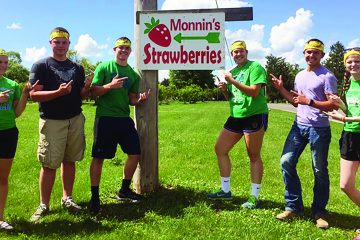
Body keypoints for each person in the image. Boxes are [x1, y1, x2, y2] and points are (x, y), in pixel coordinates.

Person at [270, 39, 338, 229]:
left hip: (319, 129)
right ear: (304, 54)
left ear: (322, 55)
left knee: (319, 170)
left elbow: (333, 105)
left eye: (315, 53)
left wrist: (311, 102)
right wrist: (281, 89)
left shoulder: (328, 76)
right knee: (286, 161)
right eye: (308, 52)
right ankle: (293, 207)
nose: (311, 55)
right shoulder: (300, 75)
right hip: (298, 126)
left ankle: (319, 212)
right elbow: (296, 101)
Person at [28, 27, 91, 222]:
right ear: (51, 43)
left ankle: (67, 198)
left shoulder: (77, 68)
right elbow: (33, 94)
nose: (61, 46)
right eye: (57, 42)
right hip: (52, 120)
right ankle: (44, 205)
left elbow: (81, 94)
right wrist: (58, 92)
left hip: (75, 118)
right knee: (49, 164)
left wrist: (87, 88)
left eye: (64, 42)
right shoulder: (40, 66)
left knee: (70, 160)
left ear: (69, 45)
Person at [89, 37, 150, 214]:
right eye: (120, 48)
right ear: (114, 50)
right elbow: (93, 91)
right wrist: (110, 85)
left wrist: (139, 99)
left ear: (130, 52)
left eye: (126, 49)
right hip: (105, 117)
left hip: (124, 118)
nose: (123, 51)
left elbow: (131, 99)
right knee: (98, 158)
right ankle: (95, 197)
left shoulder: (133, 74)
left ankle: (124, 190)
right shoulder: (104, 67)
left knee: (135, 153)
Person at [207, 40, 268, 209]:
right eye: (235, 52)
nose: (238, 54)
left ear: (246, 52)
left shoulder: (255, 67)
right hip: (236, 115)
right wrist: (225, 89)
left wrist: (232, 81)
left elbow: (255, 92)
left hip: (254, 115)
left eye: (241, 51)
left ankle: (254, 196)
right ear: (232, 54)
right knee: (220, 149)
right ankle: (225, 191)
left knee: (253, 155)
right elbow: (231, 98)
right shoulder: (232, 71)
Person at [325, 47, 360, 239]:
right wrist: (341, 105)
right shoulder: (348, 85)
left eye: (357, 61)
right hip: (350, 137)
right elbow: (351, 112)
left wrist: (344, 119)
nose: (353, 65)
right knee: (346, 184)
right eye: (350, 62)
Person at [0, 49, 36, 229]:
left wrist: (24, 94)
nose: (4, 65)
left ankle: (0, 218)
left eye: (6, 62)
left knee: (2, 179)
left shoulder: (12, 84)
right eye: (0, 62)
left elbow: (17, 112)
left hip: (7, 133)